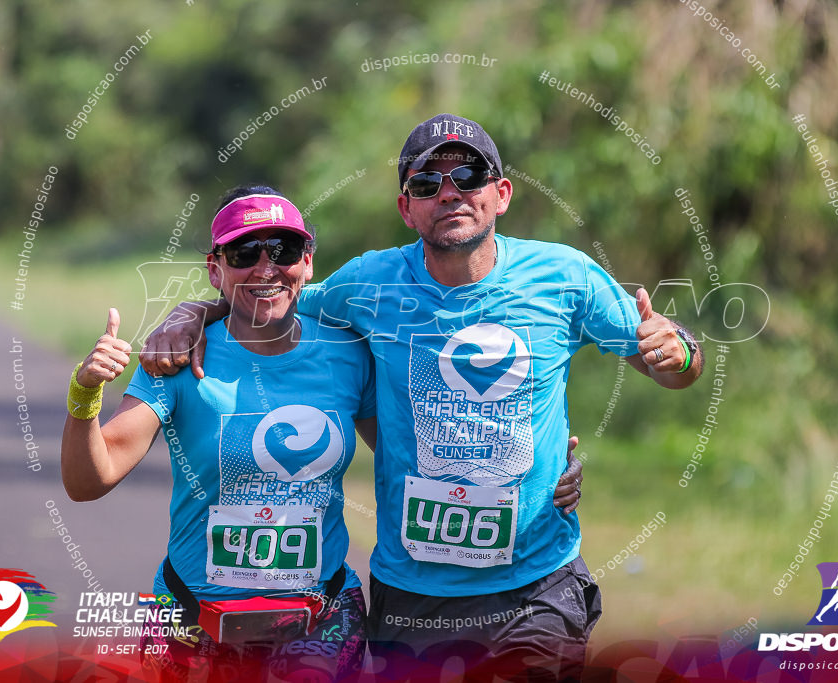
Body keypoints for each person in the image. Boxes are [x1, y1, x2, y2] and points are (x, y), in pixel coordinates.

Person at [141, 114, 704, 681]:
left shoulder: (564, 276)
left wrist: (677, 350)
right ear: (407, 208)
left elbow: (675, 366)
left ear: (501, 194)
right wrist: (195, 311)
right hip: (411, 595)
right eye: (427, 184)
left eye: (469, 175)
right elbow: (272, 293)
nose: (450, 193)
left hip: (536, 585)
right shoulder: (369, 284)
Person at [61, 186, 376, 682]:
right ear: (215, 269)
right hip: (192, 621)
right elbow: (88, 482)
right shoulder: (179, 359)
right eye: (245, 253)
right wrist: (85, 394)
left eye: (284, 251)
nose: (266, 266)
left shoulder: (349, 354)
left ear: (307, 262)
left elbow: (407, 457)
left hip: (322, 619)